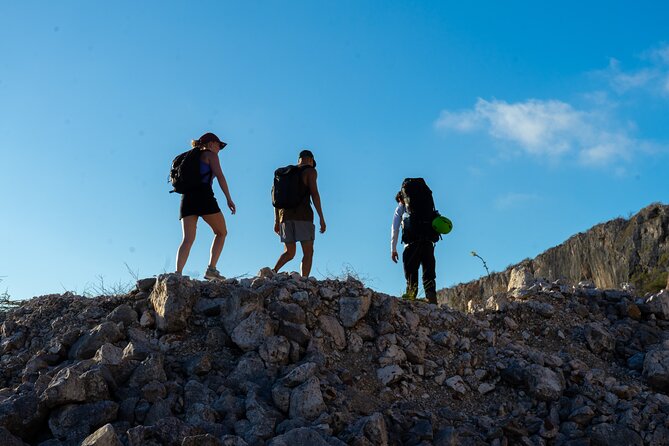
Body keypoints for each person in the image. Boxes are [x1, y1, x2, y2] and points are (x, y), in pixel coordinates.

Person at [175, 132, 236, 280]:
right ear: (210, 144)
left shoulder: (189, 157)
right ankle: (211, 269)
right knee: (221, 232)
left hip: (187, 197)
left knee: (187, 239)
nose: (220, 148)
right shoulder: (210, 155)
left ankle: (177, 274)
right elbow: (220, 176)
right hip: (203, 195)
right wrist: (229, 198)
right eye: (218, 145)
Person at [273, 150, 326, 277]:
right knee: (308, 252)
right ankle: (304, 280)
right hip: (303, 216)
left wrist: (276, 221)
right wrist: (321, 218)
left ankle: (272, 272)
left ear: (299, 160)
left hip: (284, 217)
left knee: (289, 252)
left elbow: (276, 199)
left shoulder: (284, 174)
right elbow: (315, 194)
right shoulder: (310, 171)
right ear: (310, 159)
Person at [391, 191, 437, 304]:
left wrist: (393, 249)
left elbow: (395, 229)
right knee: (429, 273)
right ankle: (432, 299)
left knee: (411, 272)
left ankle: (411, 299)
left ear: (401, 199)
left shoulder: (401, 207)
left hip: (411, 244)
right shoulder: (425, 206)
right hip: (428, 243)